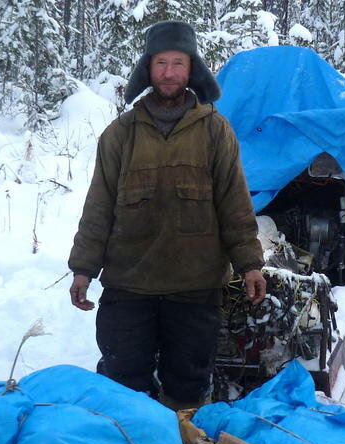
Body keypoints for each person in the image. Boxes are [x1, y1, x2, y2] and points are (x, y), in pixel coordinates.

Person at [68, 21, 267, 408]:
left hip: (194, 287)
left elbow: (234, 203)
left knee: (188, 386)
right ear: (148, 68)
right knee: (123, 385)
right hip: (129, 286)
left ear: (192, 69)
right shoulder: (120, 134)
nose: (170, 72)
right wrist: (83, 269)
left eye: (178, 62)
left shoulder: (215, 131)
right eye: (161, 62)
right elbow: (98, 207)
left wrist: (250, 264)